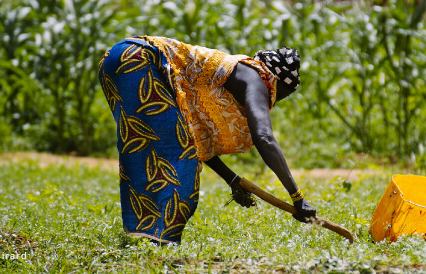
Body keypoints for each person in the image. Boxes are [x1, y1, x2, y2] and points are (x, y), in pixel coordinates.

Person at [97, 36, 316, 244]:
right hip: (140, 60)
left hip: (118, 58)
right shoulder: (257, 78)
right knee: (181, 163)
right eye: (283, 94)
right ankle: (158, 240)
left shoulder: (233, 76)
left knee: (147, 154)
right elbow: (264, 138)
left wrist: (233, 180)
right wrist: (297, 197)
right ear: (277, 81)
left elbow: (196, 140)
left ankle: (145, 237)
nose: (275, 101)